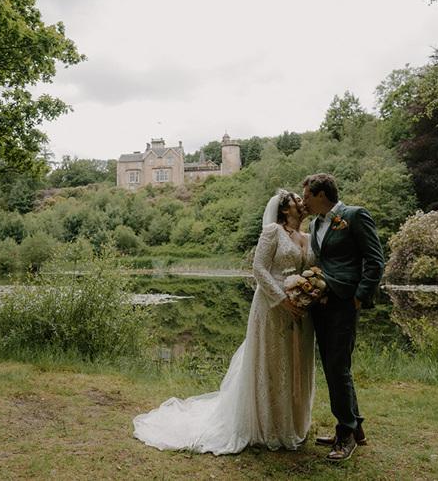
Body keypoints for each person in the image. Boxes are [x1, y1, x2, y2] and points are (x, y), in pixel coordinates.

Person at [133, 189, 317, 455]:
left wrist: (308, 293)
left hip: (301, 312)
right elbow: (258, 269)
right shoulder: (272, 232)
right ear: (285, 209)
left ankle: (291, 424)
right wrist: (282, 299)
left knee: (294, 364)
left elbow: (310, 272)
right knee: (272, 363)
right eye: (296, 200)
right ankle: (266, 427)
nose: (302, 202)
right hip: (272, 306)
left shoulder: (309, 237)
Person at [301, 173, 384, 462]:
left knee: (338, 366)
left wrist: (359, 297)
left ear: (322, 194)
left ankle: (345, 435)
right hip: (320, 304)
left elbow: (375, 260)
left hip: (345, 302)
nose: (304, 201)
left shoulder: (355, 215)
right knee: (332, 366)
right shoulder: (313, 224)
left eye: (307, 196)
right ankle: (355, 427)